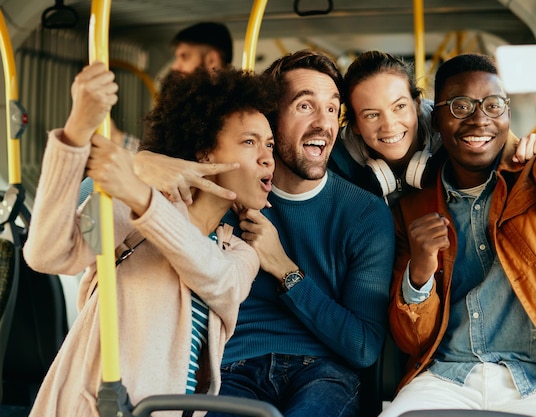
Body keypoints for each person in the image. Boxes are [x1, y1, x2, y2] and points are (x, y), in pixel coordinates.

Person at [135, 50, 395, 417]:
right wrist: (141, 163)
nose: (324, 123)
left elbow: (364, 347)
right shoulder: (227, 192)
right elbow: (93, 199)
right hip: (234, 368)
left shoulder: (366, 214)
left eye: (332, 108)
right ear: (270, 119)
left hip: (325, 373)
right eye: (305, 106)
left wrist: (286, 271)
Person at [23, 63, 278, 417]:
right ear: (205, 152)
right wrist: (78, 131)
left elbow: (217, 279)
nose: (267, 157)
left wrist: (142, 193)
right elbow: (47, 255)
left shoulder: (239, 250)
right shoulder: (129, 212)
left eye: (269, 144)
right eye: (250, 142)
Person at [381, 40, 536, 417]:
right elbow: (412, 342)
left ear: (507, 113)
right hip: (444, 379)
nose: (479, 119)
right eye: (460, 106)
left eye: (493, 105)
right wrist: (420, 270)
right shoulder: (412, 208)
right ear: (437, 119)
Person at [329, 50, 536, 207]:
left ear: (418, 105)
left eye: (399, 106)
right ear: (355, 125)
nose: (389, 125)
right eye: (371, 114)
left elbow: (502, 143)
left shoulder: (453, 130)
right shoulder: (335, 166)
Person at [111, 21, 233, 152]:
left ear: (211, 60)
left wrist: (119, 139)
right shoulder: (199, 104)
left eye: (184, 57)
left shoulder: (227, 111)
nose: (175, 66)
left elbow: (173, 165)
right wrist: (118, 138)